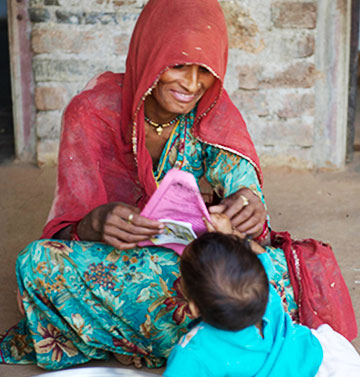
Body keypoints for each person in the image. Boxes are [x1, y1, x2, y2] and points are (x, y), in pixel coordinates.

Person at [0, 0, 352, 371]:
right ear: (149, 55)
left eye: (205, 70)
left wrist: (248, 207)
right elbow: (65, 230)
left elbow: (252, 218)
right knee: (36, 265)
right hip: (120, 262)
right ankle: (222, 344)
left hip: (194, 267)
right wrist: (93, 224)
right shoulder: (92, 113)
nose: (191, 83)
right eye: (179, 66)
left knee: (274, 273)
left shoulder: (213, 111)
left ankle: (155, 342)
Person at [164, 221, 360, 377]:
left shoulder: (194, 351)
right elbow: (260, 254)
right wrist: (232, 234)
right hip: (321, 359)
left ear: (194, 308)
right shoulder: (261, 290)